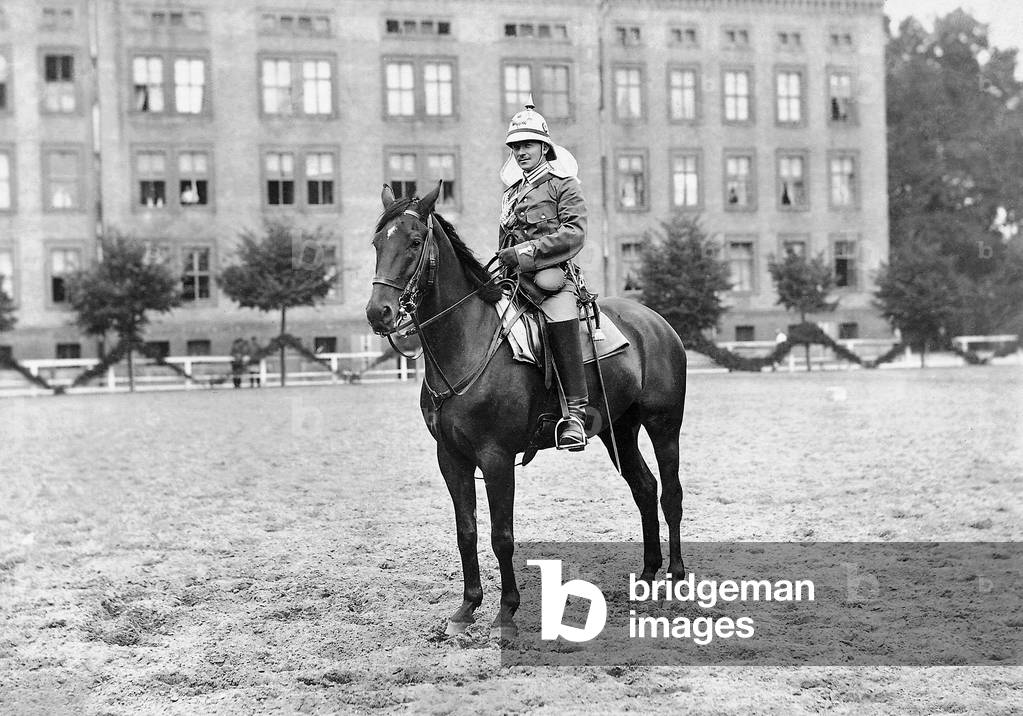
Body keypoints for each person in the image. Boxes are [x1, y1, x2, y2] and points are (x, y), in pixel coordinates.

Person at [496, 100, 588, 451]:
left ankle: (576, 416)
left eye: (527, 145)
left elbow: (574, 233)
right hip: (514, 279)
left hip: (552, 278)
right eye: (515, 146)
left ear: (544, 148)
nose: (520, 152)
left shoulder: (564, 185)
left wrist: (524, 253)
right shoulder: (512, 193)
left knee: (559, 317)